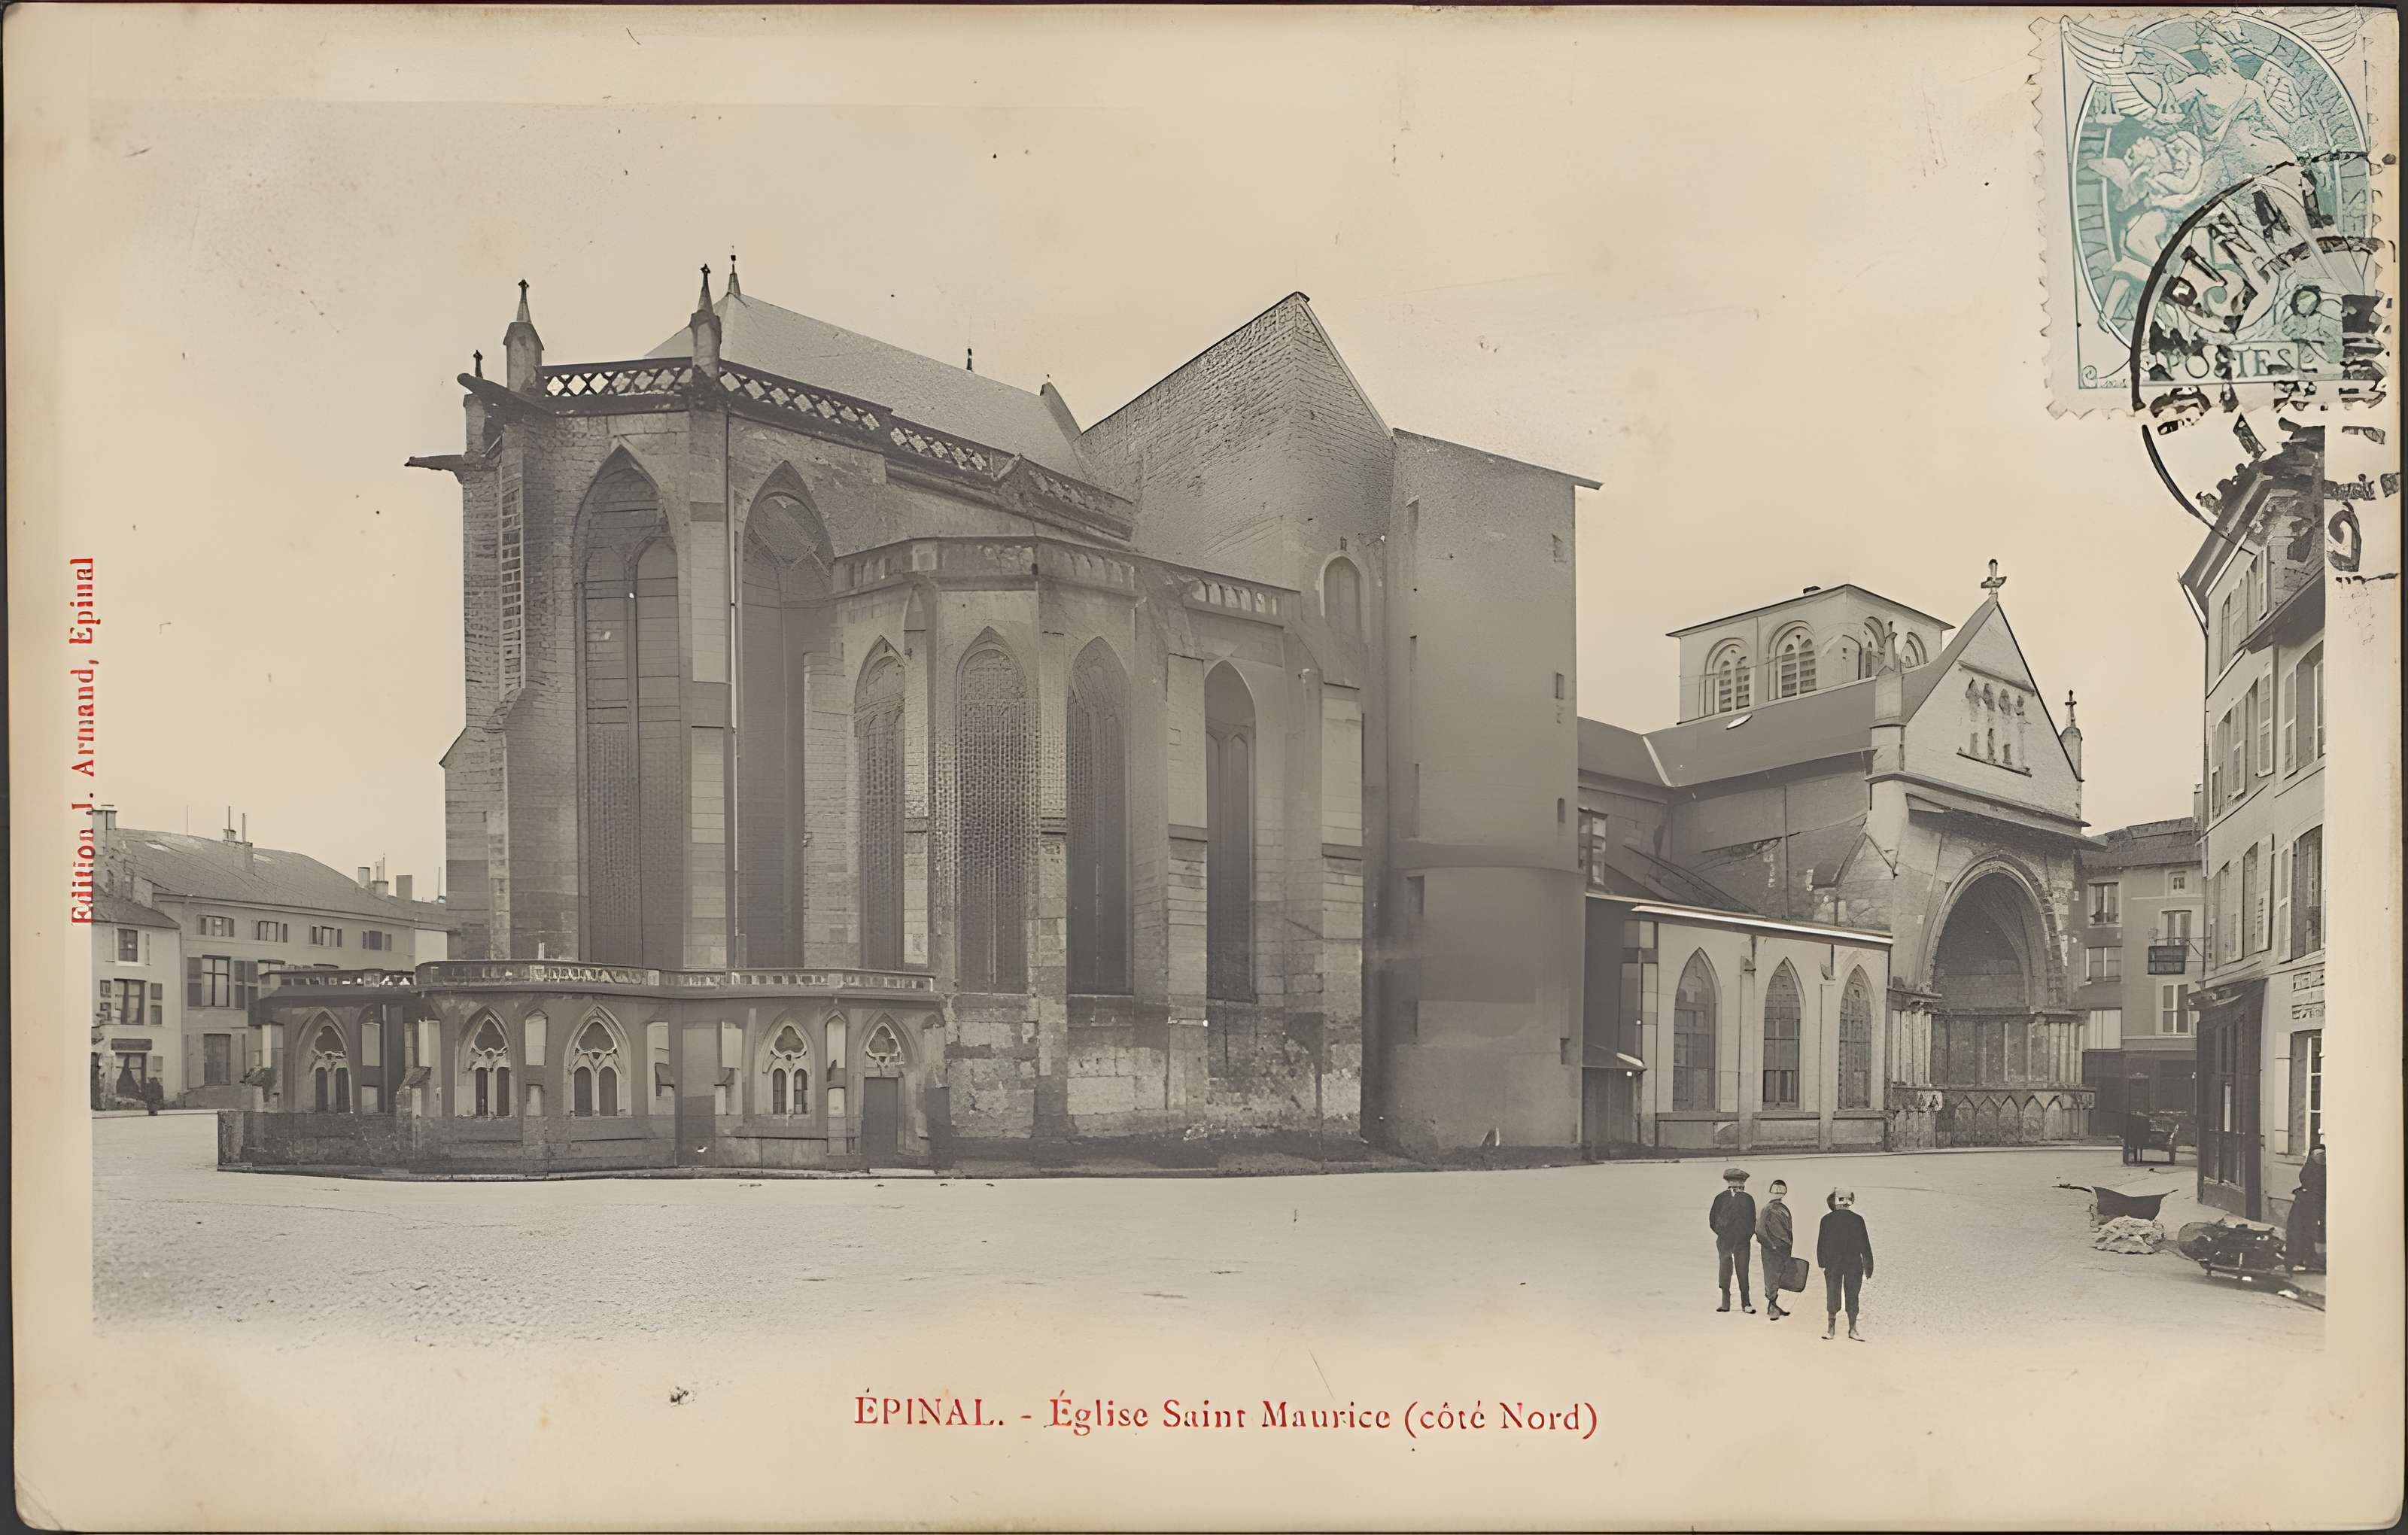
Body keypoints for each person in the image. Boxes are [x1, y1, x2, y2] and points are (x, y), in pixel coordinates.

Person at [1817, 1188, 1874, 1341]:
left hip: (1834, 1265)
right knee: (1852, 1296)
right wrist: (1869, 1266)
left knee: (1833, 1294)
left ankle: (1832, 1329)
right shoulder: (1857, 1220)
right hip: (1852, 1264)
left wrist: (1822, 1262)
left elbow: (1821, 1244)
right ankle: (1852, 1329)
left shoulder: (1827, 1220)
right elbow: (1865, 1246)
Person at [1709, 1168, 1757, 1314]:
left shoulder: (1748, 1199)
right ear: (1728, 1182)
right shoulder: (1720, 1198)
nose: (1736, 1184)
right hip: (1725, 1240)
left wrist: (1745, 1237)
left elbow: (1752, 1221)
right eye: (1733, 1181)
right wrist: (1722, 1233)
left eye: (1739, 1182)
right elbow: (1713, 1219)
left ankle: (1746, 1302)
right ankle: (1725, 1302)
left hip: (1742, 1242)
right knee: (1725, 1268)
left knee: (1743, 1270)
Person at [1757, 1179, 1795, 1321]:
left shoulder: (1784, 1209)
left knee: (1779, 1275)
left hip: (1783, 1249)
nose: (1778, 1194)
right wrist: (1772, 1245)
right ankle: (1772, 1306)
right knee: (1771, 1276)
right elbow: (1760, 1231)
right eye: (1776, 1191)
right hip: (1771, 1250)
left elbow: (1788, 1230)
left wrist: (1787, 1246)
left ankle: (1774, 1304)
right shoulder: (1767, 1209)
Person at [2286, 1143, 2326, 1274]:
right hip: (2313, 1204)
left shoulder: (2313, 1164)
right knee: (2307, 1233)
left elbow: (2306, 1178)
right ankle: (2306, 1260)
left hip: (2307, 1204)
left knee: (2301, 1232)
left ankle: (2301, 1260)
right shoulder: (2321, 1166)